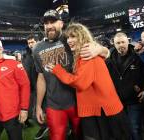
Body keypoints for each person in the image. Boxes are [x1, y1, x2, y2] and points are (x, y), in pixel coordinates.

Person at [33, 9, 109, 140]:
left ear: (61, 24)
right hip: (54, 104)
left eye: (53, 22)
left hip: (78, 101)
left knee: (82, 135)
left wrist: (100, 49)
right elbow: (41, 78)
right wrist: (38, 106)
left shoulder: (71, 38)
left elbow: (104, 51)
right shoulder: (37, 48)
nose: (49, 26)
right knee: (57, 137)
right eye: (46, 23)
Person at [46, 22, 131, 140]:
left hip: (102, 112)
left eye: (73, 36)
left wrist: (57, 70)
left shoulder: (87, 53)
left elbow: (80, 83)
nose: (69, 40)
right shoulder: (88, 51)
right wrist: (104, 50)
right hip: (102, 110)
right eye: (68, 37)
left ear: (82, 37)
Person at [106, 32, 144, 140]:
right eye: (118, 43)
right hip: (117, 101)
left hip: (134, 100)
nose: (121, 45)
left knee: (135, 129)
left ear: (128, 41)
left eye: (123, 42)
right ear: (114, 44)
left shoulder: (138, 55)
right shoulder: (108, 60)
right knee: (123, 130)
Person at [23, 34, 49, 140]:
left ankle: (65, 127)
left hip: (49, 87)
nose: (30, 45)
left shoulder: (44, 52)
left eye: (32, 42)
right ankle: (44, 126)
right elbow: (26, 73)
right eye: (28, 43)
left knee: (54, 109)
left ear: (38, 42)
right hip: (34, 88)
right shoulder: (26, 56)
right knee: (35, 113)